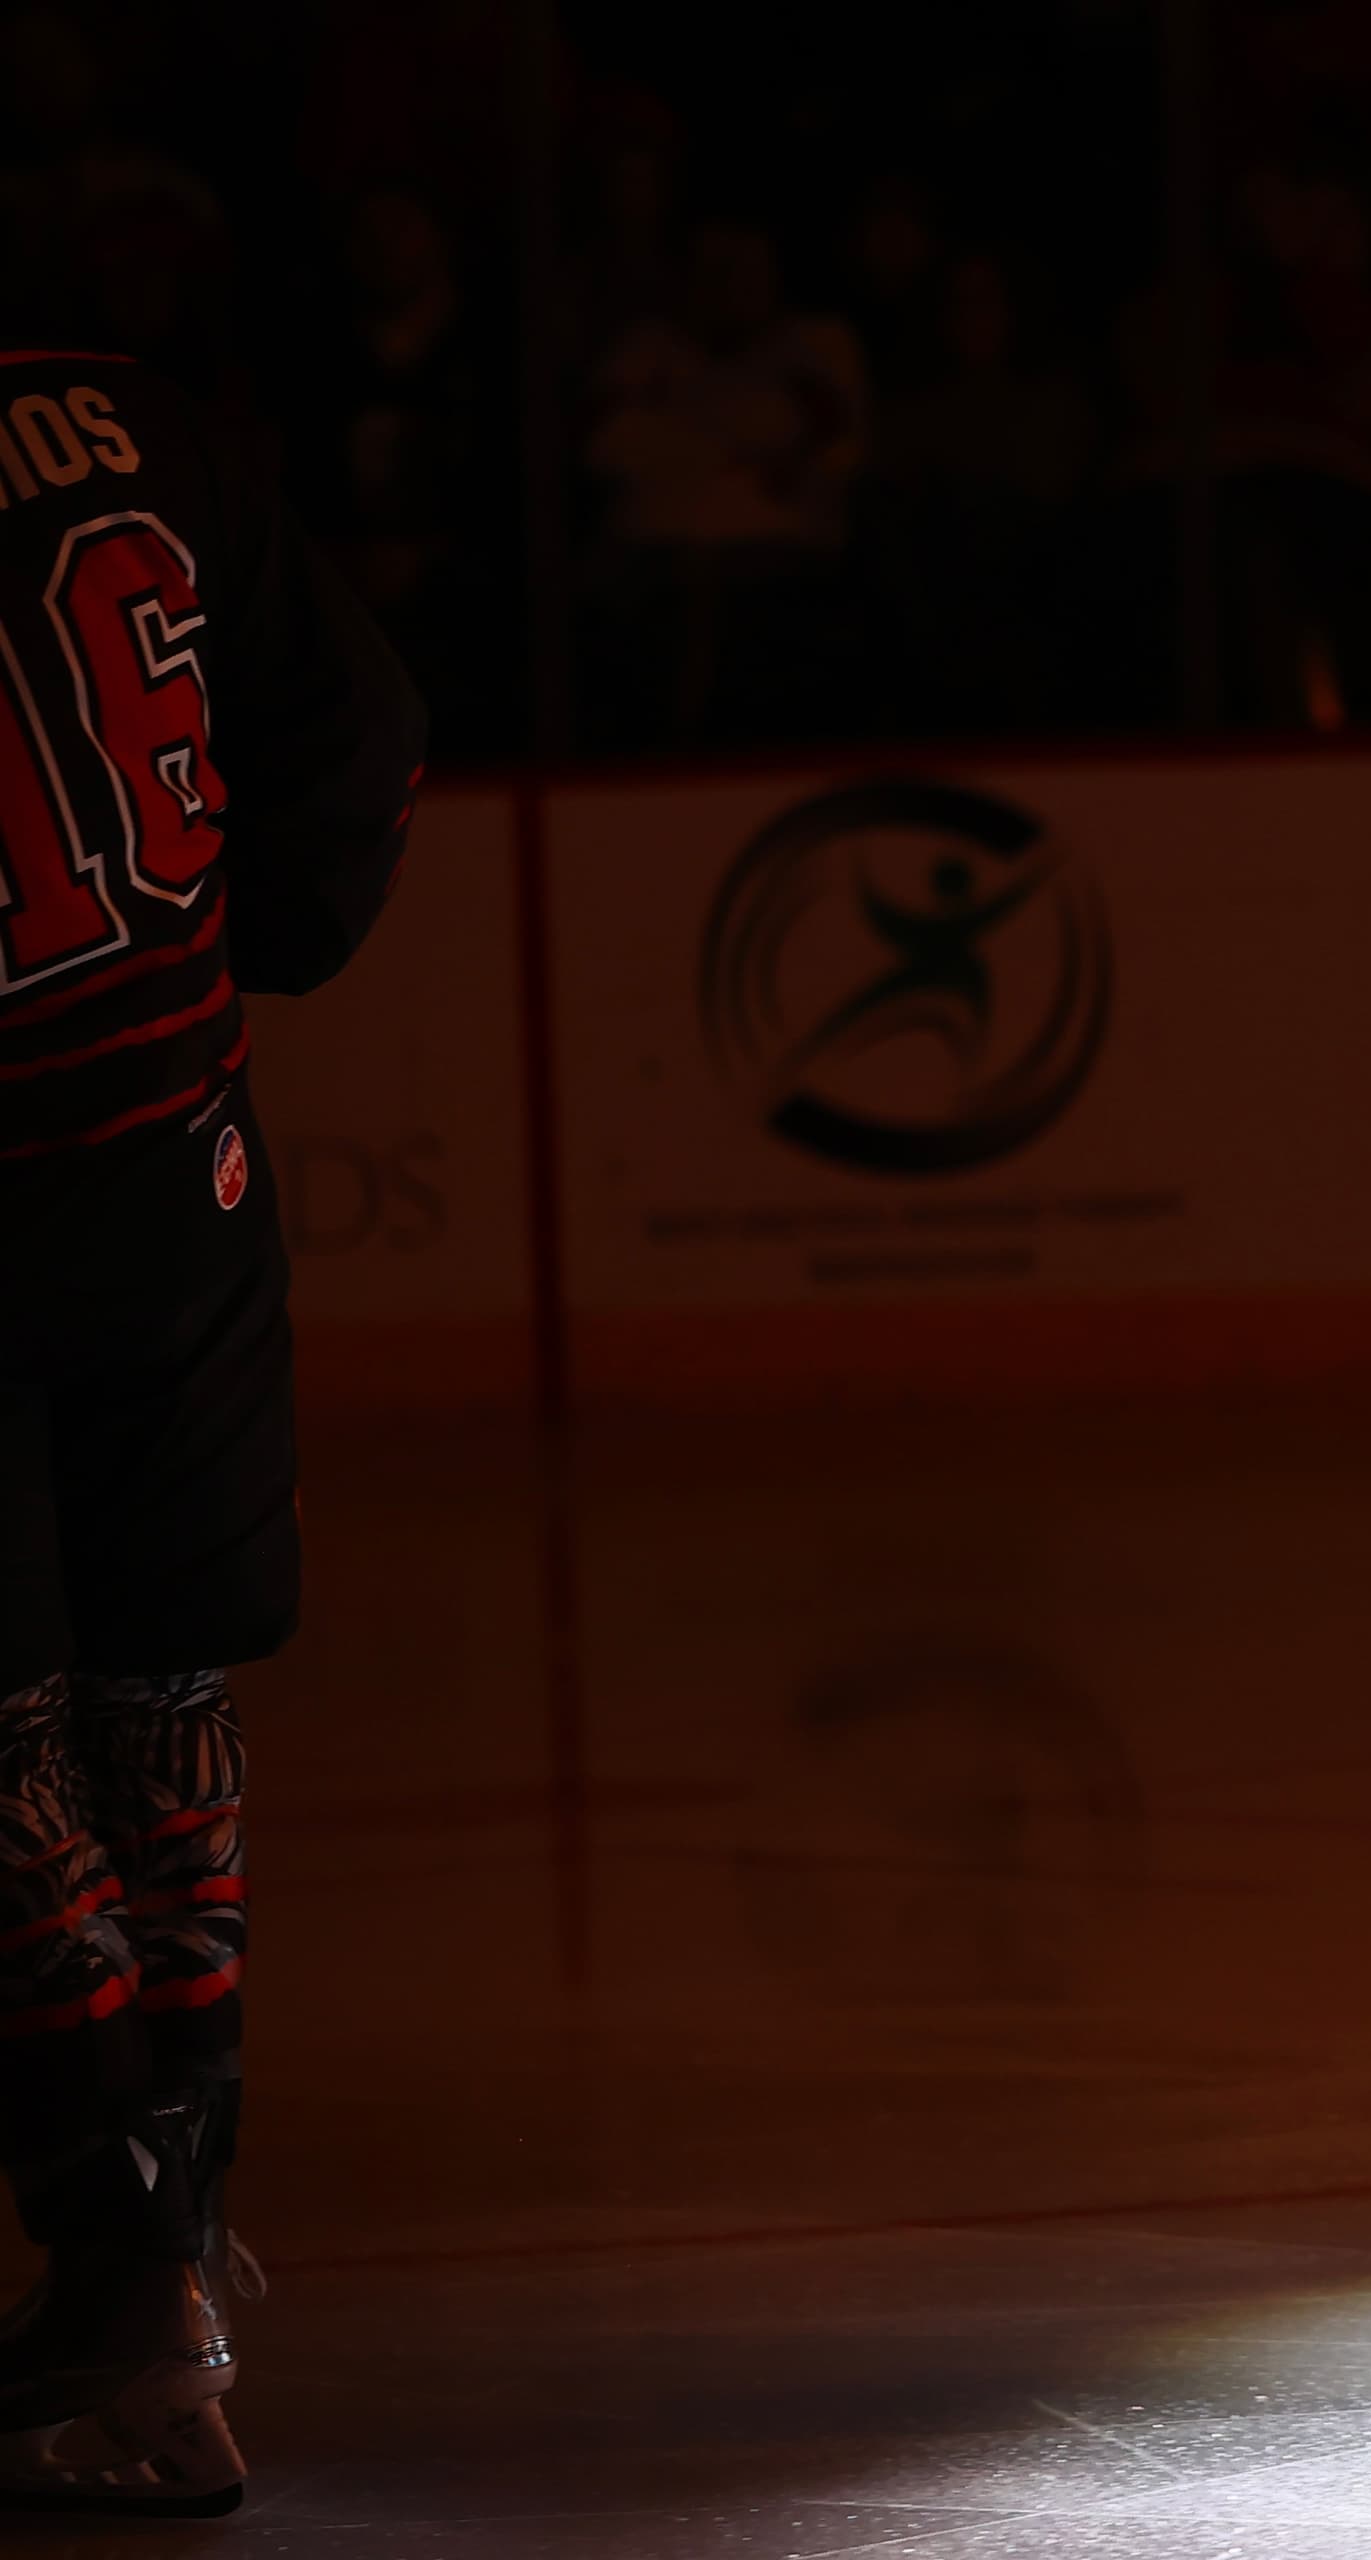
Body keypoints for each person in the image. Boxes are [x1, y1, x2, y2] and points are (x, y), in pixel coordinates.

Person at [0, 345, 427, 2510]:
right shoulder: (131, 416)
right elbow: (361, 730)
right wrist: (239, 950)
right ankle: (173, 2280)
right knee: (158, 1682)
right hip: (177, 1154)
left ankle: (119, 2252)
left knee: (1, 1726)